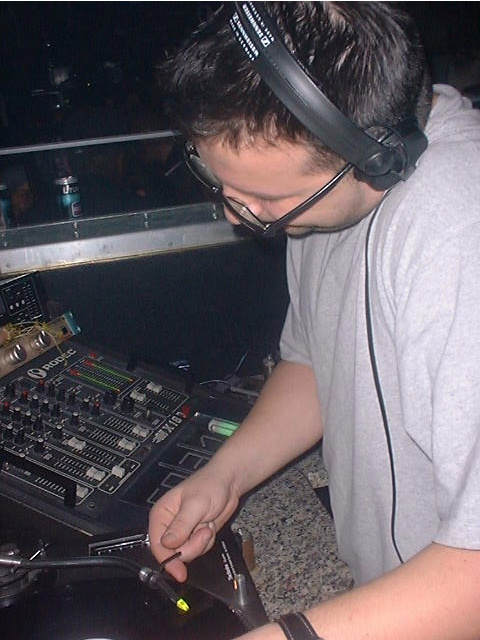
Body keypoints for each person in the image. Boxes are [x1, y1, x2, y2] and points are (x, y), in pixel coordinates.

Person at [148, 3, 480, 639]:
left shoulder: (457, 235)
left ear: (378, 159)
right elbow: (314, 364)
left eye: (266, 199)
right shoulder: (323, 197)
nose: (236, 218)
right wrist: (225, 477)